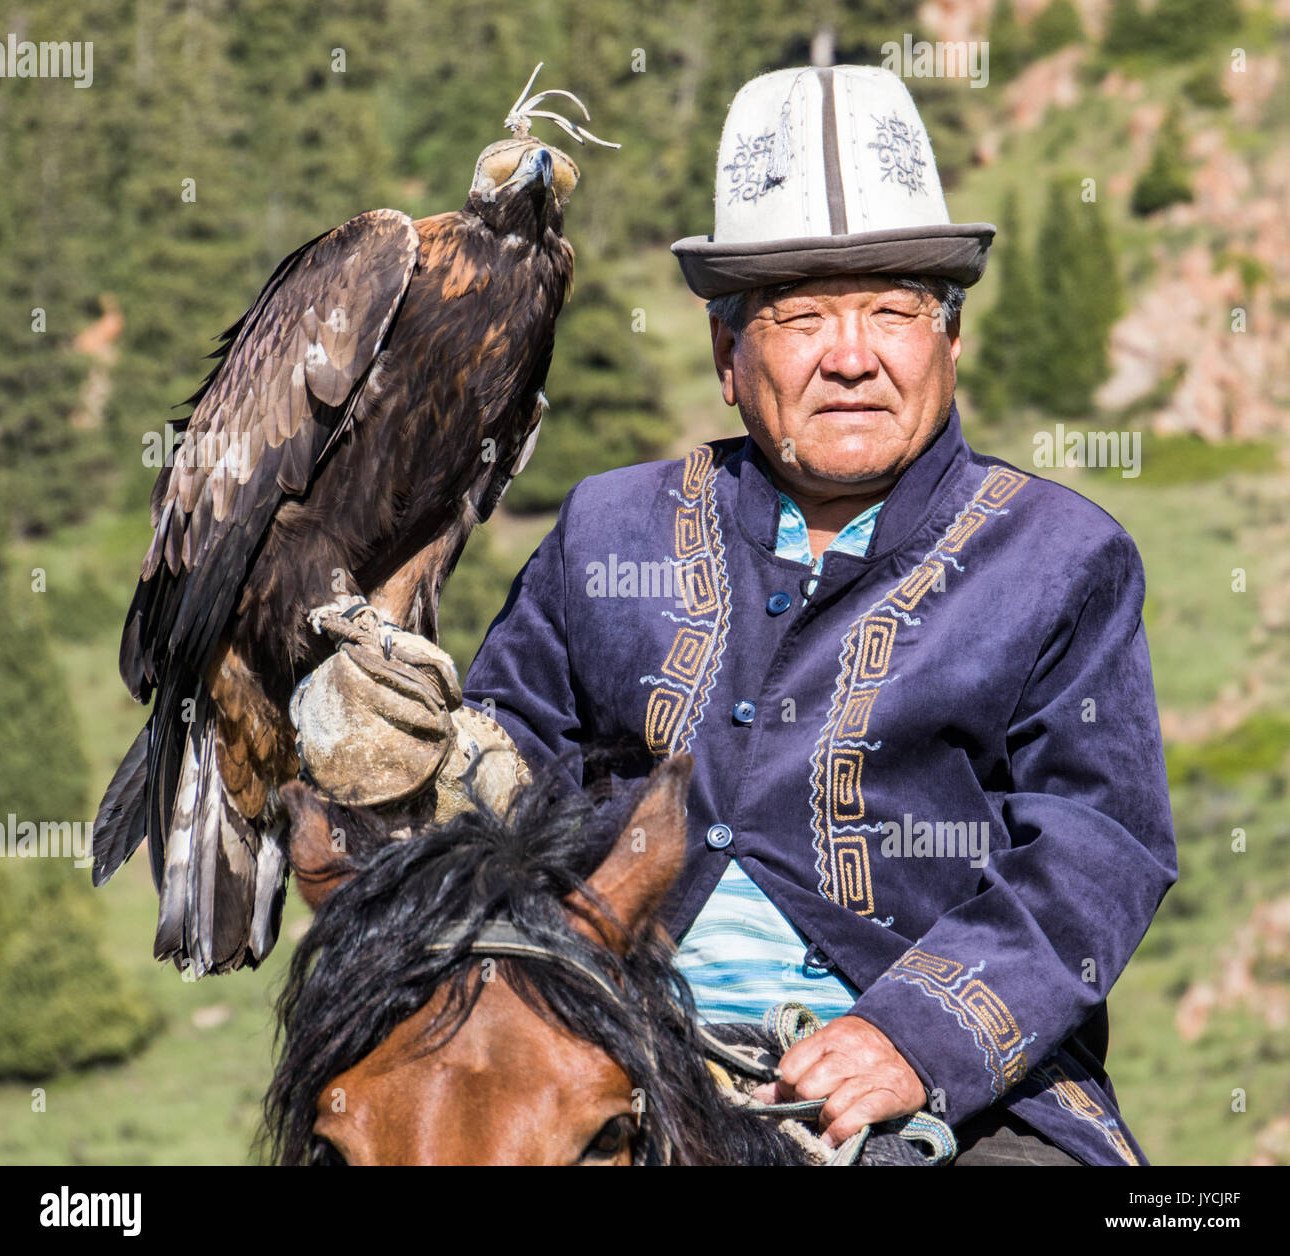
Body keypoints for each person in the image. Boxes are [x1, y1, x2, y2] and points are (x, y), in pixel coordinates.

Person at [456, 66, 1177, 1166]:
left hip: (950, 1104)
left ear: (947, 342)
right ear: (728, 358)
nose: (850, 354)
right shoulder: (609, 531)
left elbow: (1098, 844)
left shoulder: (1058, 559)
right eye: (800, 317)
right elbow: (498, 757)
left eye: (892, 309)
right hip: (607, 1067)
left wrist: (912, 1033)